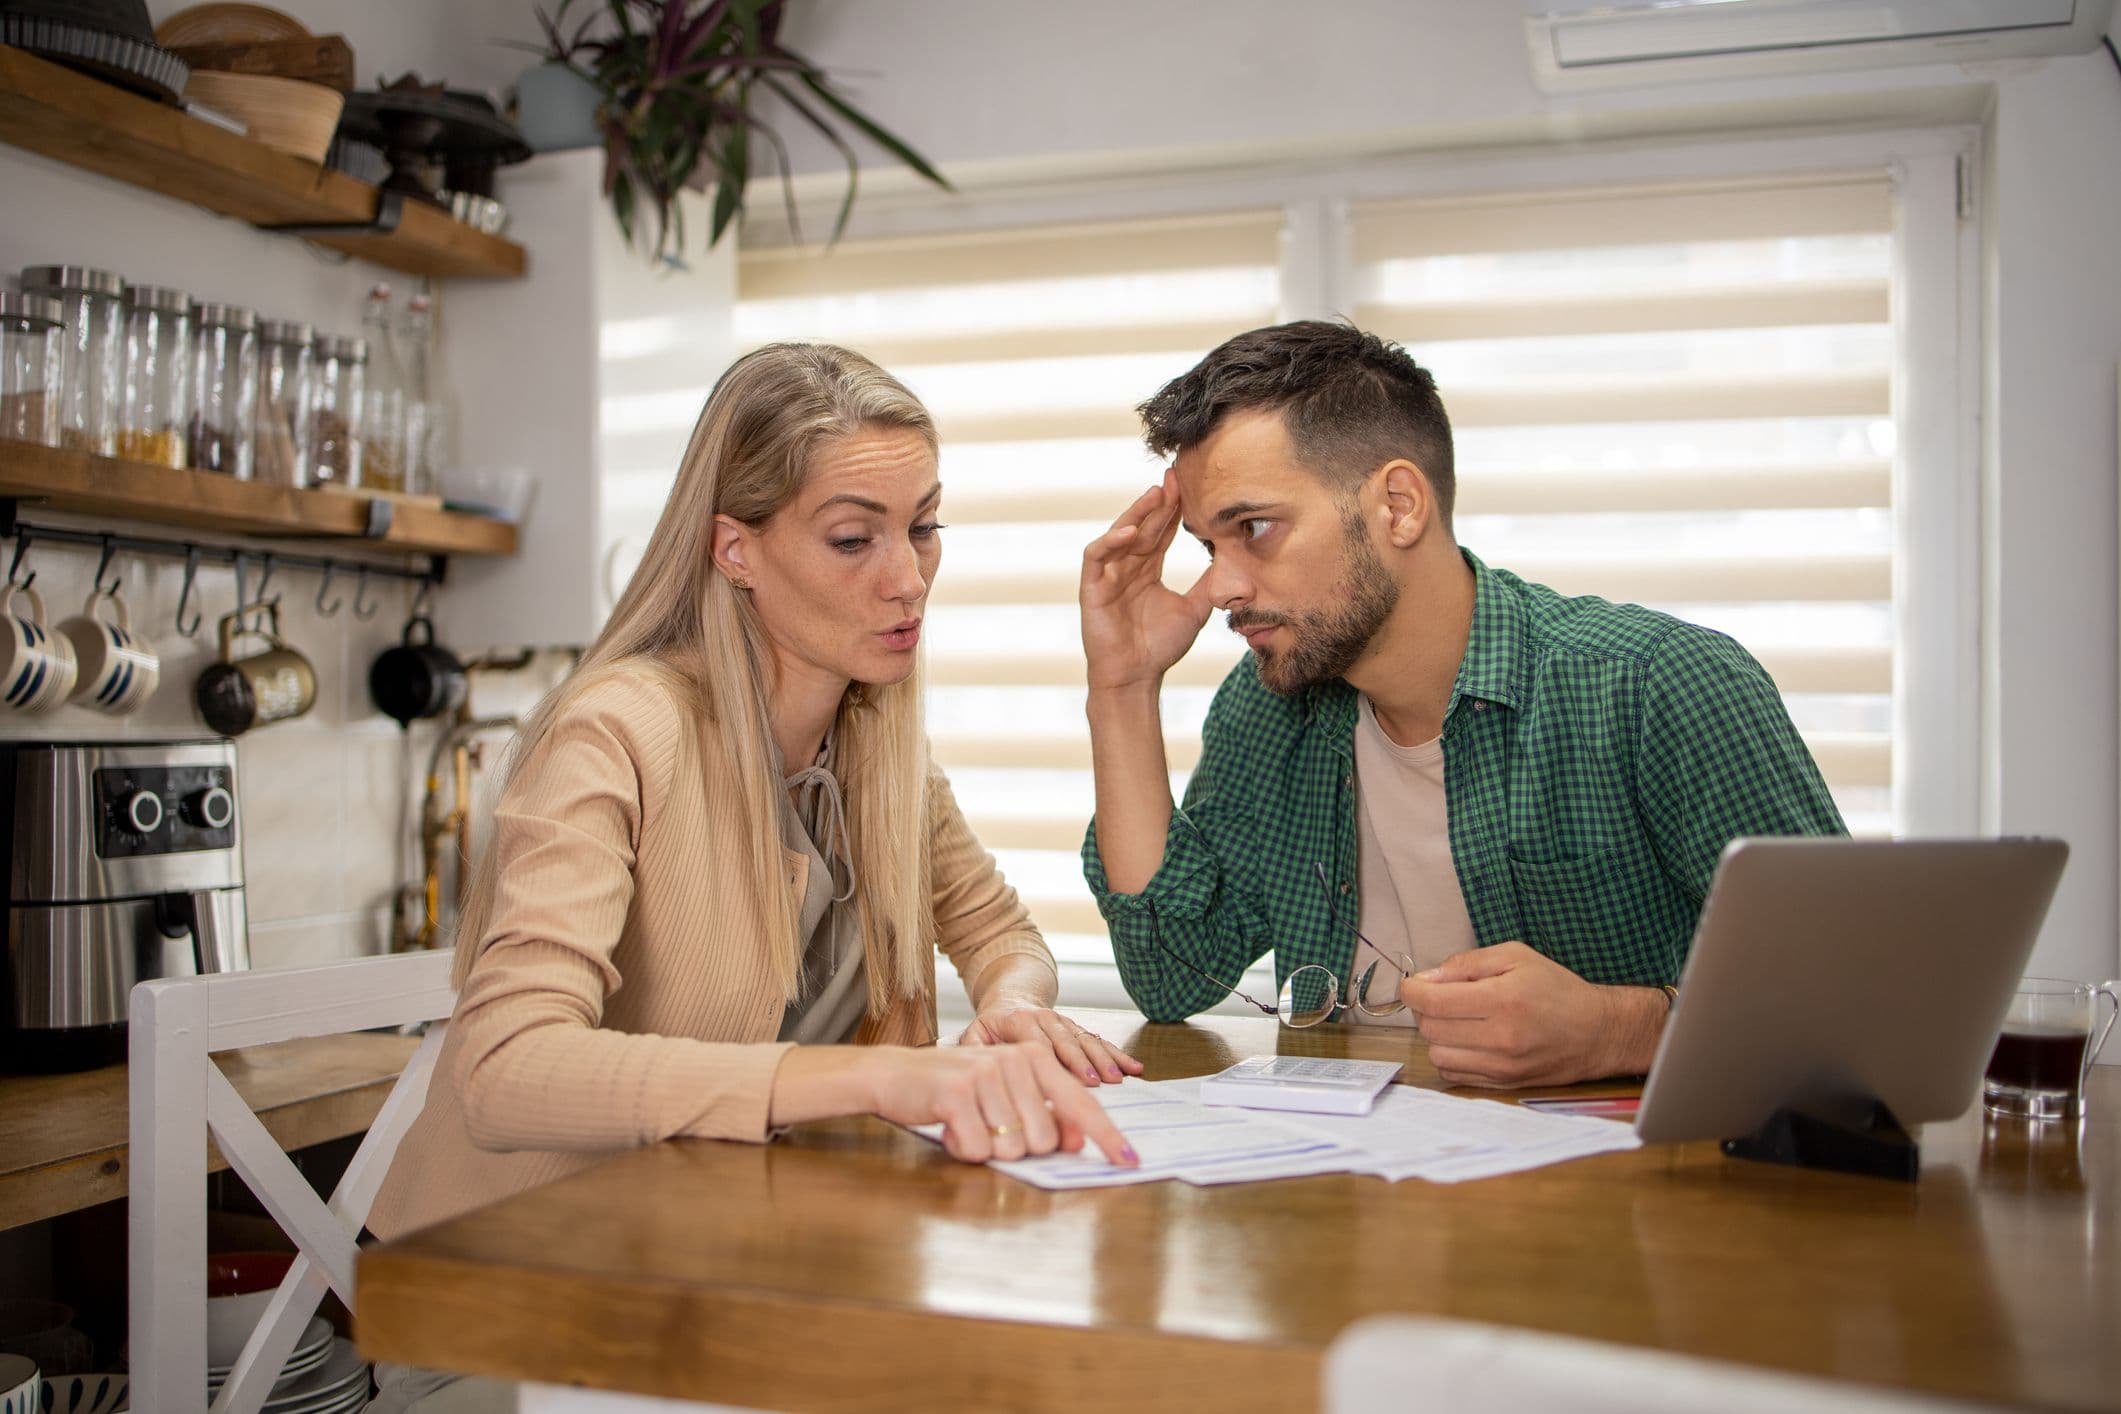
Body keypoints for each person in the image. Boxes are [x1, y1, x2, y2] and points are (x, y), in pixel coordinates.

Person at [365, 344, 1140, 1412]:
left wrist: (1011, 1007)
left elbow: (1004, 933)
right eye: (854, 537)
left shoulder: (877, 741)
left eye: (923, 527)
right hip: (525, 1309)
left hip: (734, 1271)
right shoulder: (614, 732)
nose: (908, 577)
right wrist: (882, 1080)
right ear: (736, 547)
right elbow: (506, 1071)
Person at [1078, 320, 1845, 1089]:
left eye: (1254, 529)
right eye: (1209, 548)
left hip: (1622, 1198)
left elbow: (1848, 997)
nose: (1219, 589)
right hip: (1335, 1188)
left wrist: (1619, 1031)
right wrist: (1122, 688)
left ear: (1400, 505)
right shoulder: (1266, 708)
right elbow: (1170, 975)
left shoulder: (1654, 684)